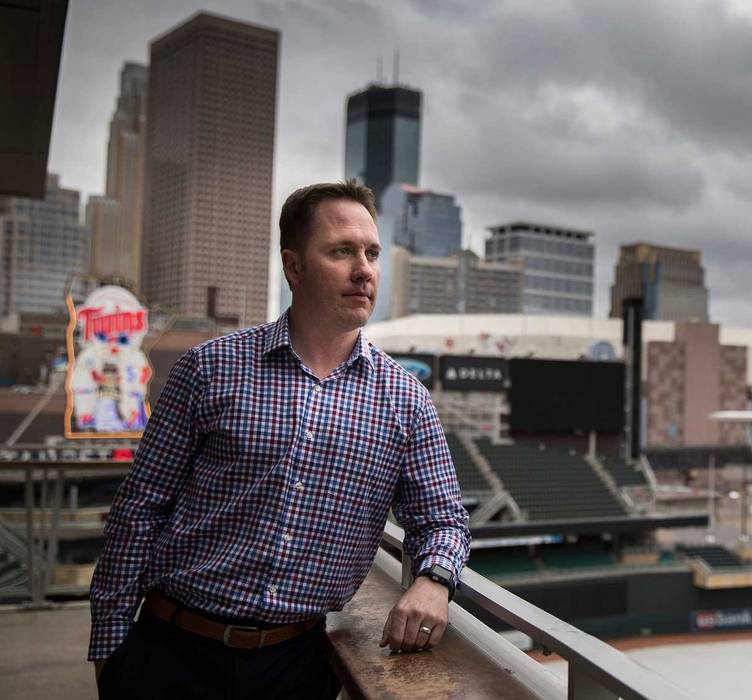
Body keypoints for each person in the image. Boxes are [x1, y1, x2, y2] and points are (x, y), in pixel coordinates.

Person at [88, 181, 470, 698]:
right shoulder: (210, 368)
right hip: (171, 653)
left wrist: (434, 581)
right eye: (342, 251)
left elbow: (443, 520)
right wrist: (111, 652)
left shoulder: (406, 400)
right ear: (294, 266)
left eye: (372, 253)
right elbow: (140, 509)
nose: (364, 270)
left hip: (298, 668)